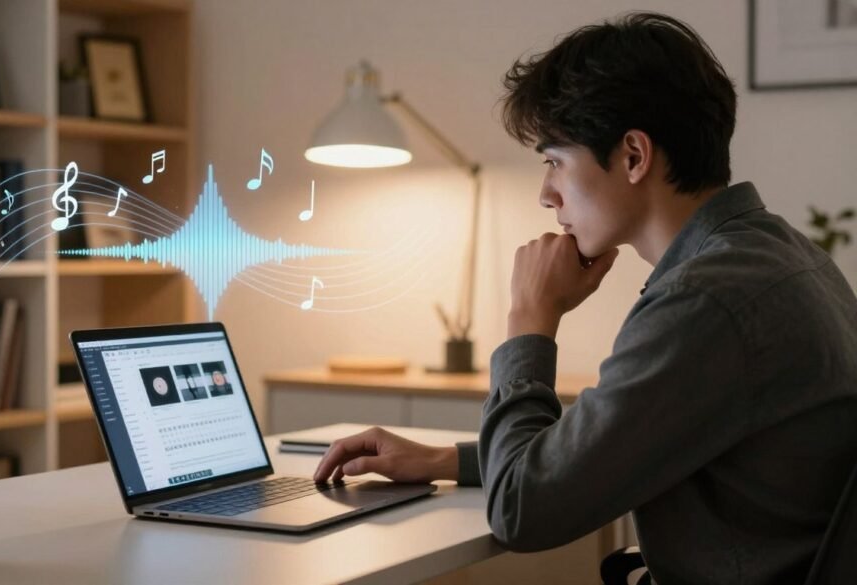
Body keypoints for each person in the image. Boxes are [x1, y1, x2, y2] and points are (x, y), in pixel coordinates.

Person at [312, 12, 857, 585]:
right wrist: (447, 461)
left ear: (633, 156)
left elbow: (524, 512)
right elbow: (619, 445)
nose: (546, 194)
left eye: (555, 162)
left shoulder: (705, 299)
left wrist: (530, 321)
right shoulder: (779, 254)